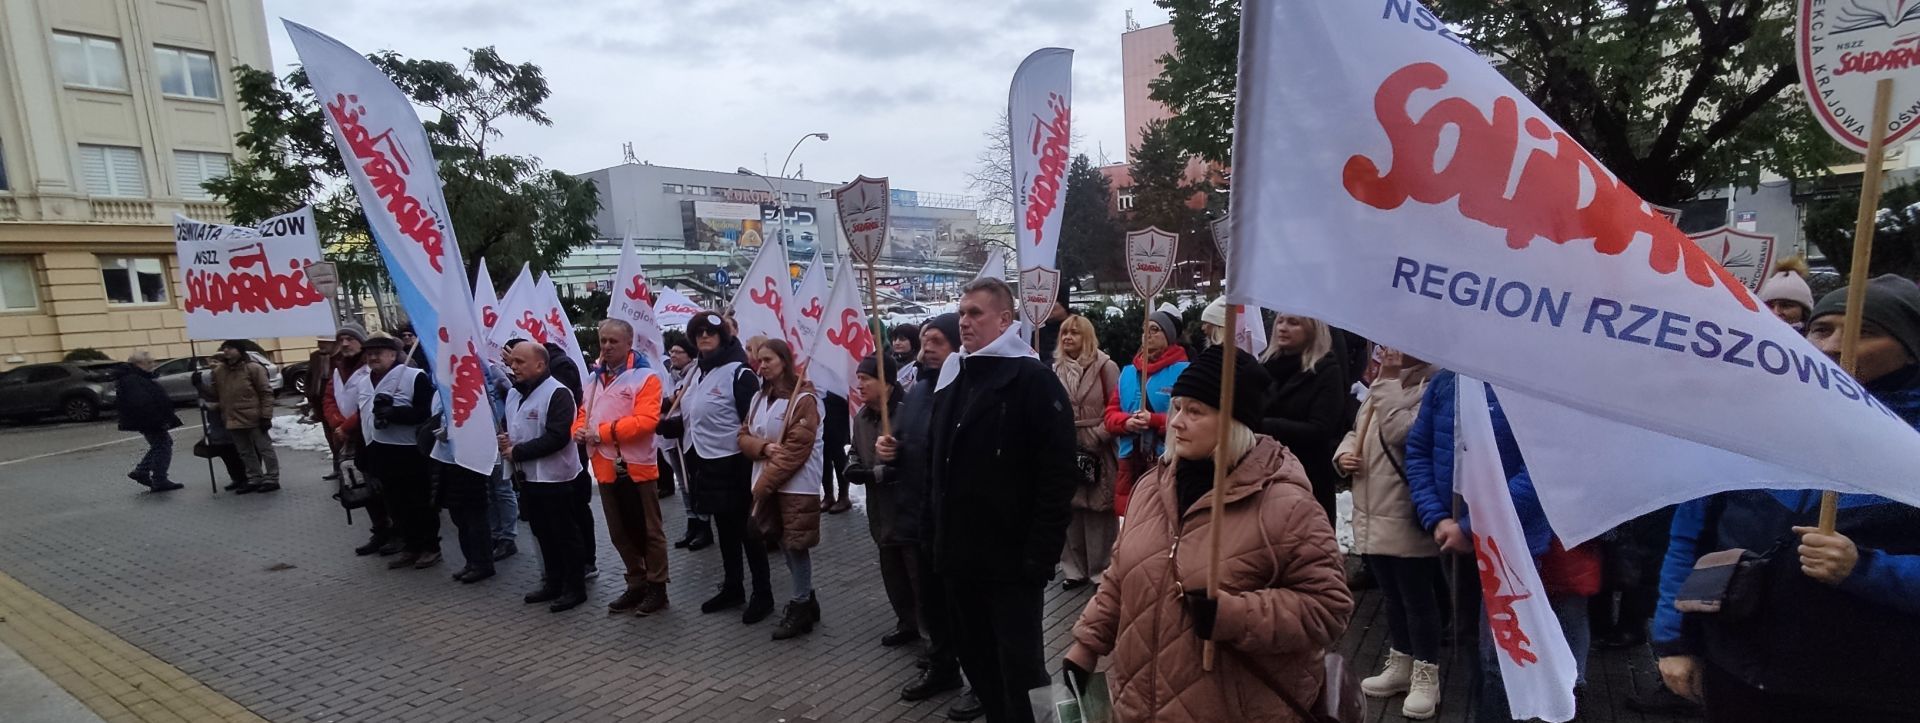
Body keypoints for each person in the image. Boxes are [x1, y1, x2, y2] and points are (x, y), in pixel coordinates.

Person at [1654, 275, 1920, 723]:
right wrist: (1674, 643)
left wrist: (1867, 570)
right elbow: (1690, 537)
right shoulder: (1757, 424)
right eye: (1823, 329)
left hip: (1872, 687)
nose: (1834, 345)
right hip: (1737, 672)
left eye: (1863, 330)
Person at [1064, 345, 1353, 722]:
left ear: (1234, 422)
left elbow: (1328, 607)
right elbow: (1121, 575)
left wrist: (1234, 615)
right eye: (1178, 406)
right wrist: (1086, 645)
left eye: (1195, 411)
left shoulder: (1286, 504)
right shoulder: (1151, 486)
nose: (1177, 421)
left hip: (1232, 707)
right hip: (1138, 703)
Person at [926, 278, 1076, 723]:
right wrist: (932, 533)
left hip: (1012, 561)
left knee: (1025, 669)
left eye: (976, 313)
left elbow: (1057, 475)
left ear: (1005, 320)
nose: (964, 321)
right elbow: (939, 462)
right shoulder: (956, 374)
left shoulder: (1032, 380)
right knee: (978, 663)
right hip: (958, 556)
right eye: (962, 312)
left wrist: (1040, 555)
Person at [1405, 370, 1592, 721]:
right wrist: (1437, 518)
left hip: (1511, 549)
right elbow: (1418, 450)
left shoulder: (1533, 387)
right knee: (1469, 644)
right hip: (1454, 542)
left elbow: (1540, 470)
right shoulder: (1447, 381)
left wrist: (1471, 527)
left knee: (1501, 656)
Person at [1336, 348, 1444, 719]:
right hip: (1372, 507)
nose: (1390, 348)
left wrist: (1385, 382)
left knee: (1417, 597)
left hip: (1404, 508)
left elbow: (1405, 433)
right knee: (1393, 596)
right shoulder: (1387, 384)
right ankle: (1401, 662)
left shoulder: (1435, 385)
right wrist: (1344, 453)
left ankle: (1427, 673)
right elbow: (1359, 430)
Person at [882, 314, 978, 717]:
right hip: (918, 516)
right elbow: (908, 443)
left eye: (937, 340)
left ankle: (979, 681)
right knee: (933, 604)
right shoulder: (918, 389)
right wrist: (891, 449)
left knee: (966, 609)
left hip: (958, 521)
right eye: (925, 340)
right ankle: (943, 666)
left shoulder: (968, 388)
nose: (927, 348)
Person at [658, 312, 773, 625]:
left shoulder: (739, 373)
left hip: (735, 463)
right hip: (705, 462)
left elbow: (752, 422)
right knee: (724, 529)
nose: (704, 337)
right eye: (698, 333)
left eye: (710, 332)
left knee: (748, 531)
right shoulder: (698, 372)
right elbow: (693, 412)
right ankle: (733, 585)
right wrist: (671, 426)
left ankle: (763, 593)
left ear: (723, 336)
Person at [576, 319, 670, 616]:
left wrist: (602, 432)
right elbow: (582, 414)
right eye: (602, 340)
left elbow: (646, 422)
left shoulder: (645, 378)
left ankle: (658, 586)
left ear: (629, 344)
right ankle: (636, 581)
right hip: (604, 467)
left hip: (636, 466)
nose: (606, 346)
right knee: (619, 532)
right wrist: (577, 430)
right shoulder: (593, 380)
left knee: (649, 531)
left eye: (613, 341)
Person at [738, 338, 825, 640]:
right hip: (768, 480)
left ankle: (800, 606)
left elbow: (795, 450)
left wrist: (762, 487)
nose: (761, 366)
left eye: (768, 360)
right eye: (759, 360)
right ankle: (807, 597)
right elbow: (744, 436)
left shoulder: (804, 400)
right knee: (784, 544)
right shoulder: (760, 398)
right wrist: (762, 448)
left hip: (796, 486)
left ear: (784, 362)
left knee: (796, 545)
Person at [501, 342, 590, 613]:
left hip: (557, 478)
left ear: (540, 364)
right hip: (528, 478)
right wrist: (506, 439)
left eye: (520, 361)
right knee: (542, 532)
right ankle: (553, 581)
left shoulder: (558, 393)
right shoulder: (514, 395)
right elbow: (514, 425)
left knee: (565, 534)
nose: (513, 366)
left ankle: (575, 588)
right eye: (512, 361)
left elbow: (558, 436)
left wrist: (517, 451)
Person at [846, 352, 921, 646]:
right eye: (859, 379)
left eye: (866, 379)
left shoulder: (908, 411)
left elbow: (918, 456)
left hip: (907, 508)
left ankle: (933, 641)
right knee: (892, 571)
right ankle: (906, 622)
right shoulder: (862, 416)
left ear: (887, 382)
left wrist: (885, 471)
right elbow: (855, 448)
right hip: (881, 510)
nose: (860, 385)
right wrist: (852, 465)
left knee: (917, 575)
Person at [350, 335, 440, 569]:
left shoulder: (413, 377)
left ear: (393, 354)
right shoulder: (363, 381)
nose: (373, 357)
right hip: (379, 449)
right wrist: (362, 451)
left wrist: (395, 414)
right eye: (369, 353)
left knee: (418, 501)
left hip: (410, 450)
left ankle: (430, 546)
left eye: (378, 352)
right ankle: (410, 545)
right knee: (395, 503)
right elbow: (363, 417)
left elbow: (427, 413)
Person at [1258, 315, 1349, 521]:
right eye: (1280, 321)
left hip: (1308, 477)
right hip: (1265, 474)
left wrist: (1266, 426)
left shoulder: (1326, 370)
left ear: (1312, 329)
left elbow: (1321, 429)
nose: (1282, 328)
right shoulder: (1265, 366)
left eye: (1293, 323)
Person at [429, 355, 510, 585]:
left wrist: (453, 432)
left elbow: (482, 420)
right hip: (447, 459)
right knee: (459, 516)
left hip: (471, 461)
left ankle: (483, 563)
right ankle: (470, 561)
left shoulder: (477, 387)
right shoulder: (440, 389)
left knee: (475, 515)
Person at [1104, 308, 1190, 517]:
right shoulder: (1128, 373)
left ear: (1168, 337)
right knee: (1132, 518)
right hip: (1130, 461)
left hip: (1166, 459)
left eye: (1155, 330)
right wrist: (1126, 422)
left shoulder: (1184, 371)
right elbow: (1110, 415)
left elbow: (1188, 418)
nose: (1148, 335)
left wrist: (1154, 420)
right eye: (1145, 330)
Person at [1054, 314, 1119, 589]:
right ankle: (1073, 569)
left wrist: (1098, 434)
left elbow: (1118, 403)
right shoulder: (1055, 368)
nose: (1068, 337)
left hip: (1097, 447)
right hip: (1066, 445)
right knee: (1070, 509)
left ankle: (1100, 569)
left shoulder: (1106, 366)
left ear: (1087, 337)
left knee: (1097, 510)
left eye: (1075, 333)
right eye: (1065, 332)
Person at [324, 325, 397, 556]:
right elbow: (329, 399)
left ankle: (397, 531)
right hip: (349, 440)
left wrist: (347, 425)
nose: (345, 344)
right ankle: (380, 530)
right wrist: (336, 422)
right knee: (361, 486)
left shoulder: (371, 371)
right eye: (341, 339)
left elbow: (369, 404)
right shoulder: (338, 369)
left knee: (382, 487)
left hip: (370, 436)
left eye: (350, 339)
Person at [663, 333, 712, 550]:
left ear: (690, 355)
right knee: (682, 483)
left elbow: (681, 400)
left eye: (678, 351)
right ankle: (691, 521)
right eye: (671, 351)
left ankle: (704, 526)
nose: (673, 355)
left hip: (689, 436)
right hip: (671, 438)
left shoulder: (694, 373)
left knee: (695, 482)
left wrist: (668, 403)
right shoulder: (669, 374)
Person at [210, 340, 279, 494]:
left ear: (240, 351)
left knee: (264, 448)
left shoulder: (253, 368)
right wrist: (199, 385)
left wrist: (266, 416)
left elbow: (265, 393)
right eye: (224, 348)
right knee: (244, 451)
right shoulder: (220, 371)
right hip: (232, 417)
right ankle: (254, 477)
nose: (226, 351)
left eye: (230, 348)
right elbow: (216, 394)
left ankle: (272, 478)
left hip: (254, 417)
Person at [117, 350, 183, 492]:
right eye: (150, 362)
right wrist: (159, 419)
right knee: (162, 446)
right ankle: (159, 479)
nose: (154, 365)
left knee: (161, 444)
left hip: (149, 419)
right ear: (139, 364)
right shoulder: (133, 379)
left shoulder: (136, 377)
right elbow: (142, 402)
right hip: (150, 420)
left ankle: (142, 471)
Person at [1757, 257, 1815, 332]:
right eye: (1769, 306)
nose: (1776, 312)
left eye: (1786, 305)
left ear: (1804, 311)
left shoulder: (1815, 341)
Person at [819, 390, 854, 515]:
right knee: (823, 453)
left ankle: (843, 496)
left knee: (837, 452)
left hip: (837, 406)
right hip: (819, 406)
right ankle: (828, 495)